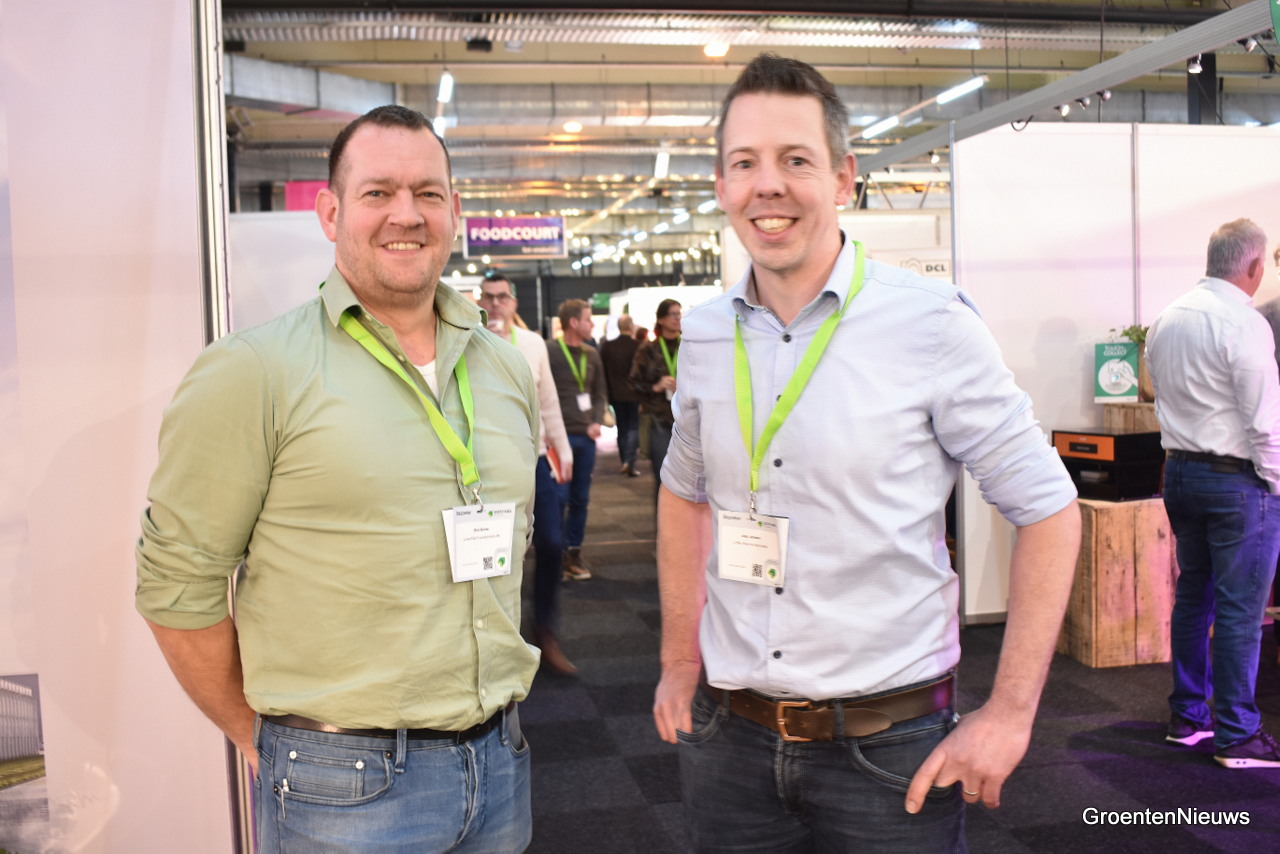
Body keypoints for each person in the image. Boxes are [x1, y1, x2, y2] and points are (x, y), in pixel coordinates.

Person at [651, 53, 1081, 852]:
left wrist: (1012, 712)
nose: (767, 185)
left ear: (844, 178)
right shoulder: (707, 333)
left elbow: (1049, 508)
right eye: (744, 163)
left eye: (795, 160)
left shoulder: (930, 324)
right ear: (721, 184)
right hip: (728, 739)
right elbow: (683, 492)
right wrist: (679, 659)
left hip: (887, 751)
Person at [136, 105, 539, 853]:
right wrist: (257, 735)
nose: (406, 215)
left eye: (427, 193)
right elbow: (175, 586)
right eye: (378, 192)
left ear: (455, 211)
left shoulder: (505, 368)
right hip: (340, 782)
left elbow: (516, 540)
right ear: (330, 212)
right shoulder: (254, 370)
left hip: (500, 759)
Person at [1146, 218, 1280, 768]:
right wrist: (1276, 484)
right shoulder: (1244, 323)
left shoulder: (1167, 317)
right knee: (1240, 610)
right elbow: (1264, 422)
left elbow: (1158, 393)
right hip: (1237, 483)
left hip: (1180, 473)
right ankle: (1238, 734)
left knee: (1194, 598)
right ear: (1254, 265)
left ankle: (1188, 717)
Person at [479, 271, 579, 676]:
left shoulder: (533, 344)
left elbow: (548, 401)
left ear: (514, 302)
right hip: (485, 466)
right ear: (479, 300)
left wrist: (563, 448)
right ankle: (496, 643)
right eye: (488, 296)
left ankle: (545, 633)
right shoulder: (468, 342)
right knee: (493, 555)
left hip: (533, 461)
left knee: (552, 544)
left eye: (502, 296)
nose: (495, 303)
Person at [548, 299, 608, 581]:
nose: (592, 324)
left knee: (580, 499)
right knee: (558, 500)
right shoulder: (549, 351)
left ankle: (573, 552)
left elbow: (600, 393)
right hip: (557, 440)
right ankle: (556, 555)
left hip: (585, 438)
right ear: (573, 322)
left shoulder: (592, 354)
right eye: (588, 319)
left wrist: (596, 420)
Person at [629, 299, 682, 497]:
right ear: (661, 319)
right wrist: (656, 386)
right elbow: (633, 384)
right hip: (659, 418)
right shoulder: (648, 349)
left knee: (691, 481)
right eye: (673, 314)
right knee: (664, 478)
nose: (677, 318)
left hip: (689, 420)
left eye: (679, 313)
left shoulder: (689, 345)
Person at [600, 315, 642, 477]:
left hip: (615, 394)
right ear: (630, 326)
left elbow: (603, 372)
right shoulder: (637, 346)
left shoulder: (608, 346)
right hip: (634, 393)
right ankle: (630, 462)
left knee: (622, 428)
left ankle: (624, 459)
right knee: (633, 427)